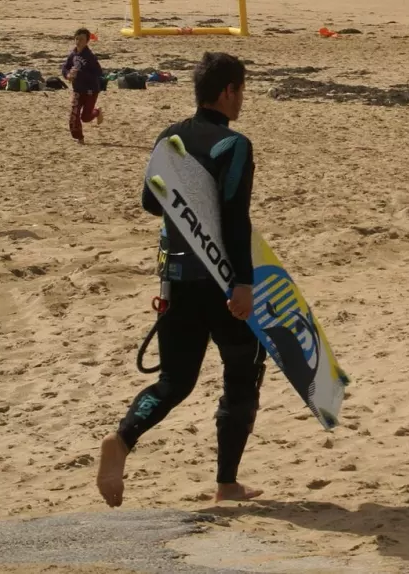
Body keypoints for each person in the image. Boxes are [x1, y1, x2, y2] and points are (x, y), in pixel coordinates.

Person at [97, 53, 266, 508]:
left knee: (175, 380)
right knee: (242, 374)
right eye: (241, 90)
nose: (242, 99)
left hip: (174, 276)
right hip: (221, 280)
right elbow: (234, 218)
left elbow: (151, 203)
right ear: (229, 90)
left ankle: (123, 439)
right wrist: (243, 284)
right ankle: (227, 483)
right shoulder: (234, 146)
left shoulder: (168, 137)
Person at [62, 27, 104, 143]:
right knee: (73, 115)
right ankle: (79, 137)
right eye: (76, 39)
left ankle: (97, 112)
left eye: (81, 39)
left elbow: (99, 72)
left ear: (87, 41)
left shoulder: (90, 57)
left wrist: (80, 74)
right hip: (77, 90)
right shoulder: (73, 54)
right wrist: (68, 75)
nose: (78, 42)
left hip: (91, 90)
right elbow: (65, 67)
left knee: (85, 117)